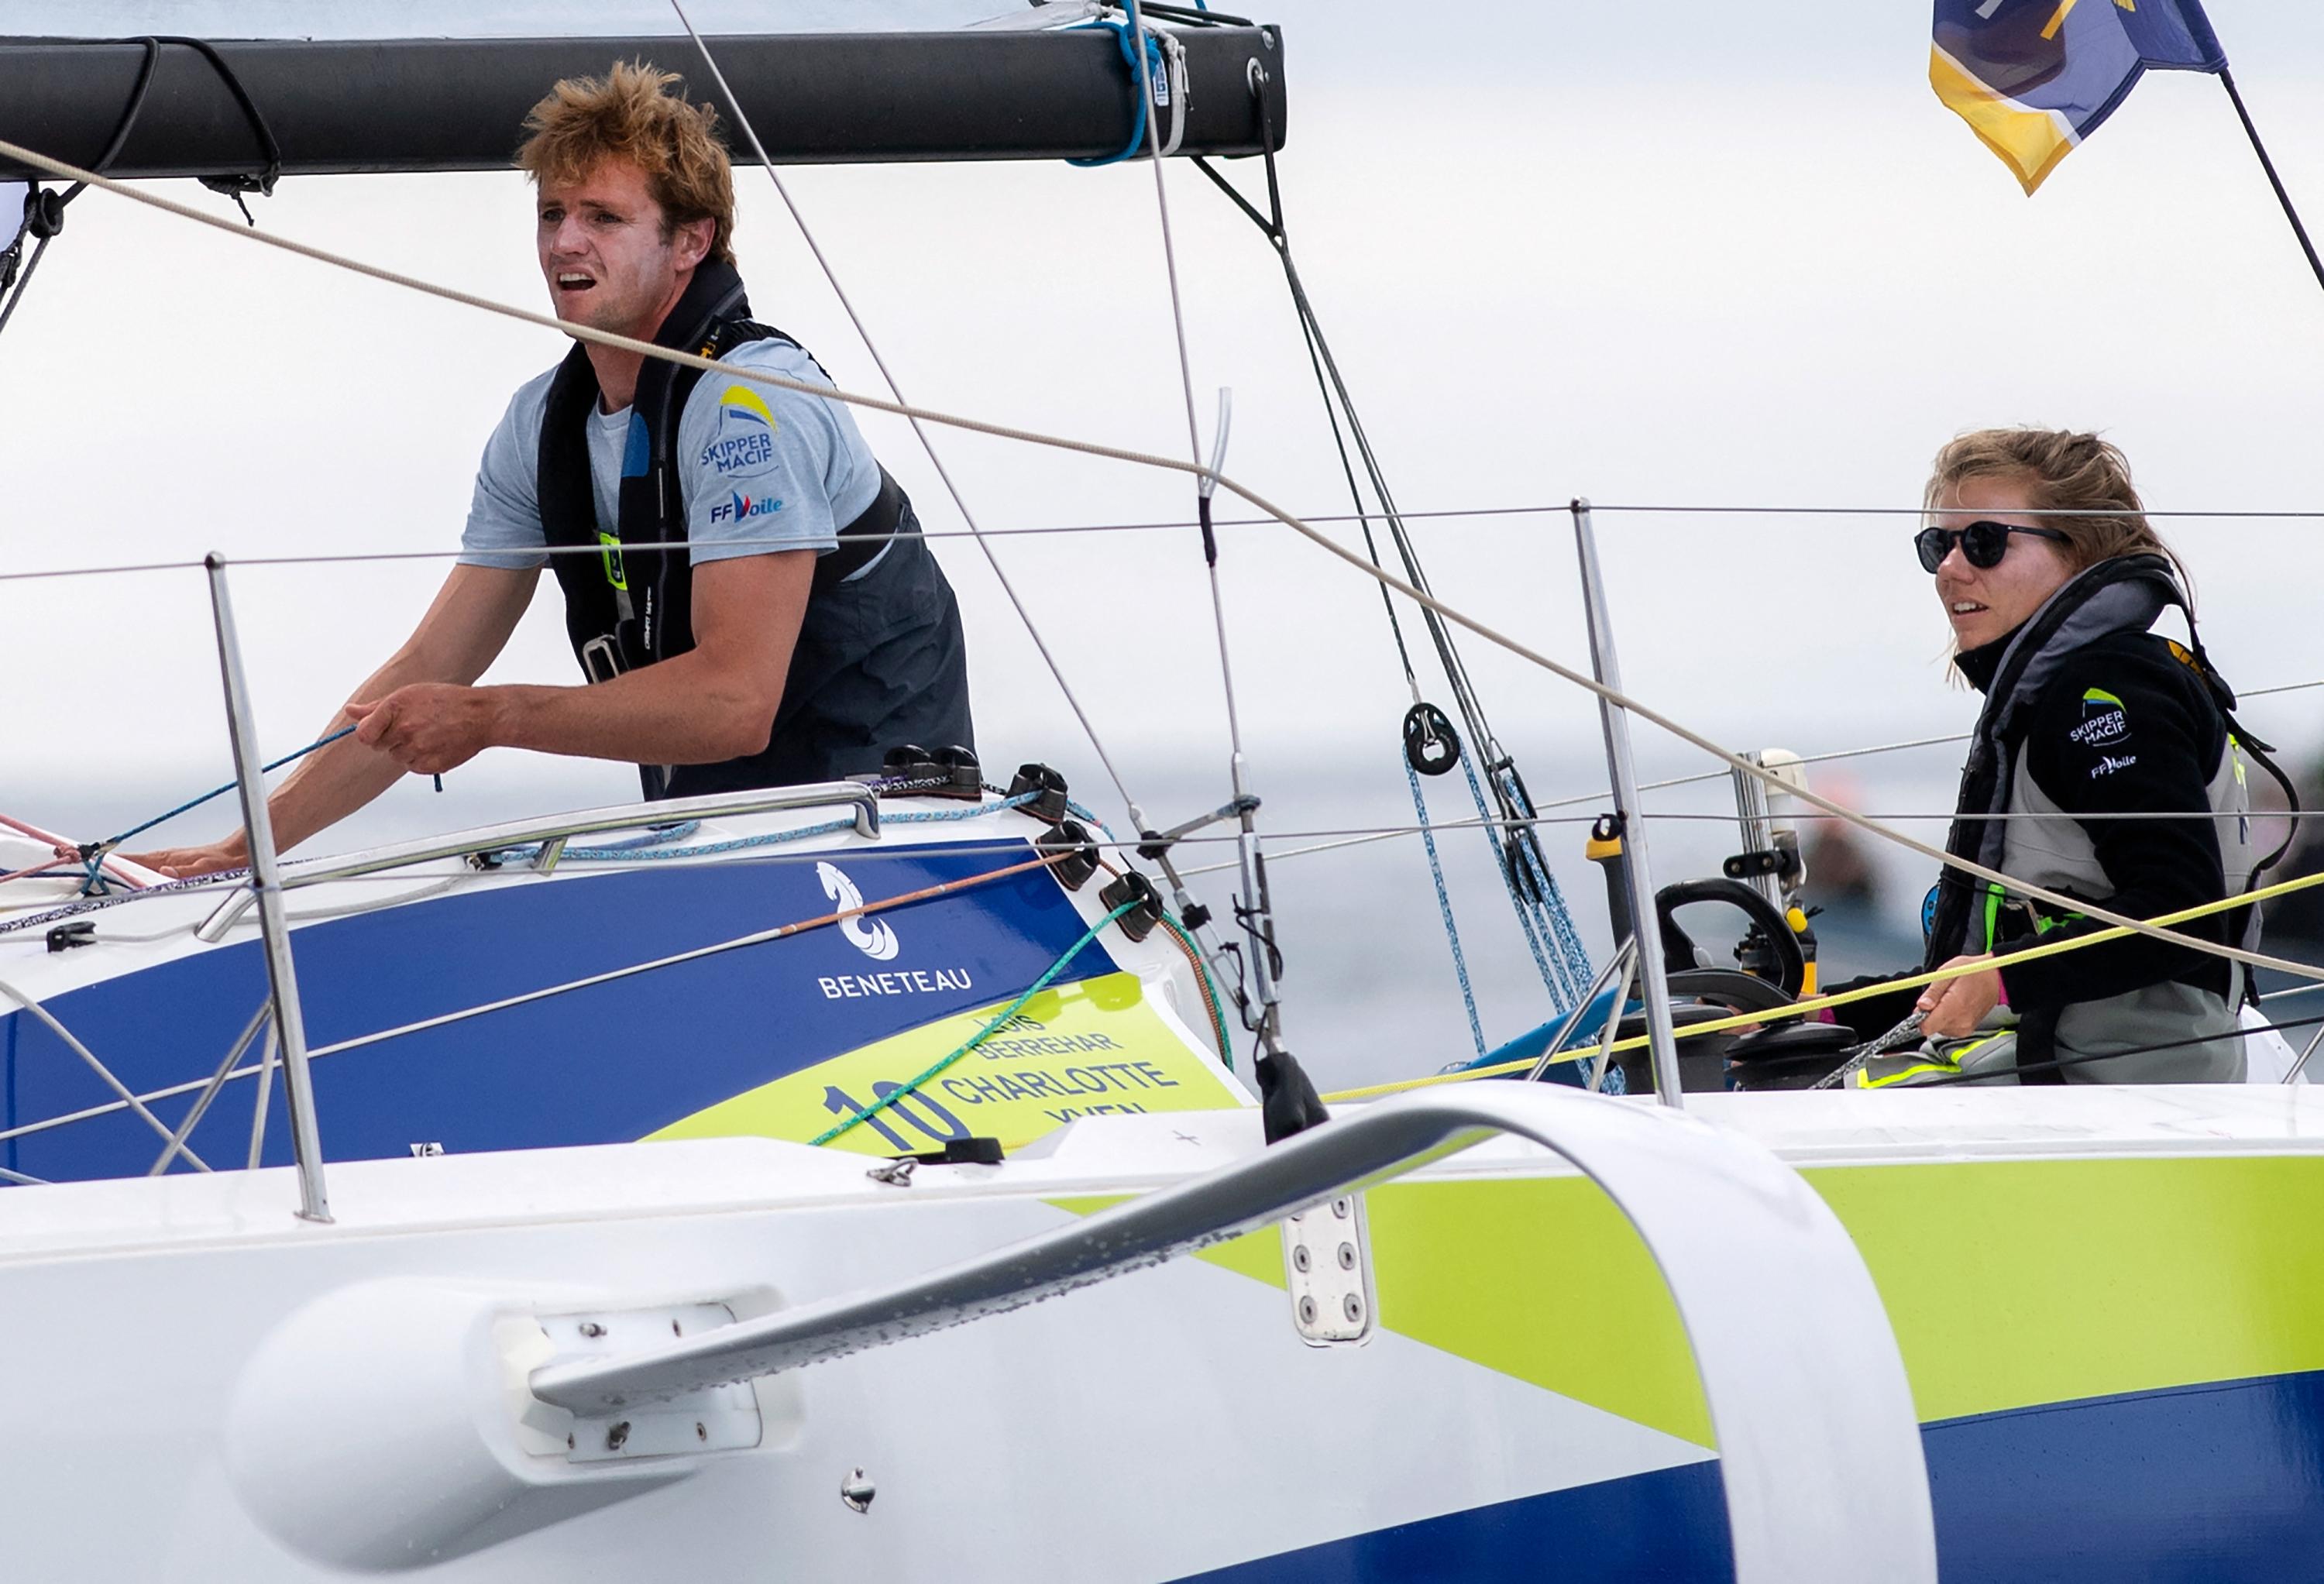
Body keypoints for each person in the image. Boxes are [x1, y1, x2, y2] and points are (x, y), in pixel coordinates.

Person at [131, 63, 971, 878]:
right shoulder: (542, 425)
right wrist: (246, 851)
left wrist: (496, 716)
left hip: (892, 840)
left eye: (603, 216)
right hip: (731, 846)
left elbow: (734, 702)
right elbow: (433, 663)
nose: (565, 240)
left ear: (691, 241)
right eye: (552, 213)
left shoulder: (751, 403)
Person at [1850, 428, 2287, 1087]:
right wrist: (1816, 1013)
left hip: (2126, 1087)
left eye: (1985, 542)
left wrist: (2001, 978)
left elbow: (2177, 909)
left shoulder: (2102, 696)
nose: (1950, 568)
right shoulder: (2063, 692)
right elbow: (1978, 975)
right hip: (2063, 1060)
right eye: (1939, 544)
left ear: (2078, 552)